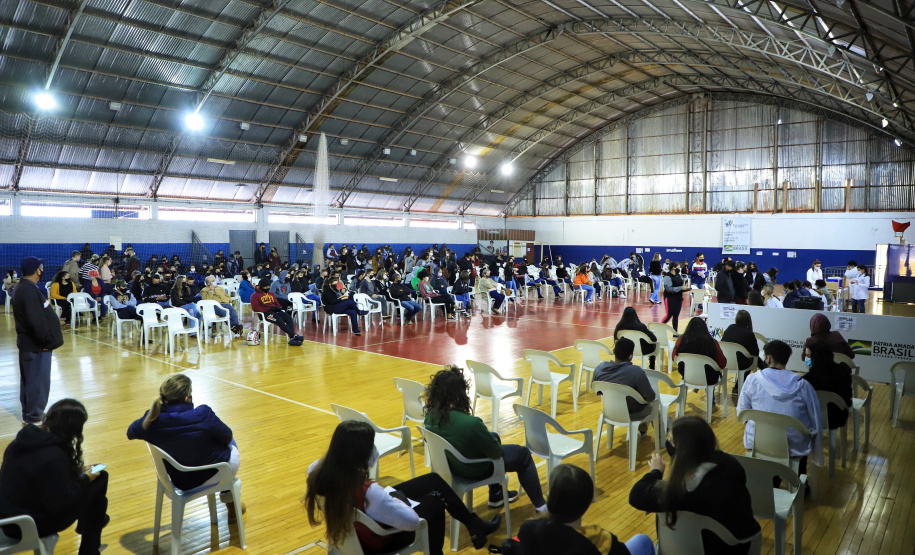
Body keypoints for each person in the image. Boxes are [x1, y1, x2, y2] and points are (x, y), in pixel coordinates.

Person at [304, 421, 500, 555]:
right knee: (435, 499)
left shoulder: (316, 473)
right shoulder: (371, 493)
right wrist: (399, 502)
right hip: (379, 541)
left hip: (354, 529)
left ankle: (473, 524)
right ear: (360, 454)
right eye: (370, 445)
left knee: (433, 480)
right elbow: (413, 523)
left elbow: (324, 462)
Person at [628, 417, 760, 555]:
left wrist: (656, 471)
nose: (668, 442)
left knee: (642, 541)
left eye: (671, 439)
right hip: (738, 547)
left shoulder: (680, 490)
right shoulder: (732, 465)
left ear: (682, 450)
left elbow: (636, 495)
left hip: (689, 549)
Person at [423, 365, 546, 512]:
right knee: (524, 455)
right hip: (475, 469)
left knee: (493, 436)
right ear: (459, 394)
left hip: (452, 467)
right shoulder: (472, 424)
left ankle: (497, 494)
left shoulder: (429, 418)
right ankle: (542, 507)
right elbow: (495, 453)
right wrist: (491, 443)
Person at [126, 375, 244, 521]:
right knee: (229, 442)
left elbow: (130, 432)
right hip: (212, 473)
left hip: (179, 480)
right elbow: (226, 437)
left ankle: (230, 502)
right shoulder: (203, 414)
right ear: (187, 398)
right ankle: (231, 504)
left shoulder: (152, 420)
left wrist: (150, 416)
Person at [0, 399, 109, 555]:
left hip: (9, 517)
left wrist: (77, 473)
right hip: (29, 525)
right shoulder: (54, 456)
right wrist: (84, 479)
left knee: (98, 491)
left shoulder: (22, 440)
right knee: (100, 490)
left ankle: (90, 530)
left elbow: (42, 480)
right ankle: (89, 534)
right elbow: (60, 502)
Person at [519, 464, 655, 555]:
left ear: (549, 497)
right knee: (643, 541)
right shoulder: (601, 540)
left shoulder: (528, 529)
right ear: (589, 503)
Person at [736, 340, 823, 475]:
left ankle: (771, 478)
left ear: (768, 358)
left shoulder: (752, 380)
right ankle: (799, 484)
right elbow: (815, 419)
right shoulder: (803, 385)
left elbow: (741, 413)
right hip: (794, 445)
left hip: (759, 441)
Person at [11, 258, 64, 425]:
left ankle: (30, 415)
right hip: (37, 347)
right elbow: (35, 322)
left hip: (33, 345)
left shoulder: (26, 288)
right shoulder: (27, 291)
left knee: (31, 380)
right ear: (38, 271)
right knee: (37, 382)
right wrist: (47, 341)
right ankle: (35, 417)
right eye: (41, 267)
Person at [593, 337, 657, 435]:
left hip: (610, 411)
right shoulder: (636, 372)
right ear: (631, 356)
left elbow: (596, 390)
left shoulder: (600, 368)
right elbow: (650, 397)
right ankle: (662, 434)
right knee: (654, 405)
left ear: (614, 351)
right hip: (633, 413)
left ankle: (643, 428)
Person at [803, 342, 852, 430]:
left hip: (813, 419)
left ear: (816, 357)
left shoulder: (808, 379)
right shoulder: (844, 370)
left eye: (808, 356)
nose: (806, 358)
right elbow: (848, 398)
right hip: (840, 417)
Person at [672, 318, 726, 388]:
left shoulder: (681, 340)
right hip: (708, 377)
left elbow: (674, 358)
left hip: (687, 374)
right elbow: (722, 363)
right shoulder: (712, 342)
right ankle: (710, 397)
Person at [721, 310, 763, 395]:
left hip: (725, 361)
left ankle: (737, 388)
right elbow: (755, 352)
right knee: (752, 360)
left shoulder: (730, 328)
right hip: (740, 363)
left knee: (748, 358)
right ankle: (768, 371)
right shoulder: (749, 333)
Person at [252, 278, 303, 345]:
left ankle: (292, 338)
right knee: (279, 320)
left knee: (289, 318)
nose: (268, 288)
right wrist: (269, 309)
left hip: (274, 311)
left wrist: (278, 308)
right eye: (266, 286)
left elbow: (276, 303)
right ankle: (294, 336)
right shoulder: (254, 296)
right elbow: (255, 308)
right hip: (265, 314)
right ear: (262, 286)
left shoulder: (271, 294)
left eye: (269, 286)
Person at [660, 261, 686, 331]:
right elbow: (669, 289)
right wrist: (681, 288)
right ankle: (658, 327)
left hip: (678, 298)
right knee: (669, 315)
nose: (679, 269)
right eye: (678, 267)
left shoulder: (678, 276)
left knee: (676, 316)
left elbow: (681, 285)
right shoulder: (667, 276)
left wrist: (685, 289)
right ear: (673, 268)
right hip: (670, 298)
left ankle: (675, 332)